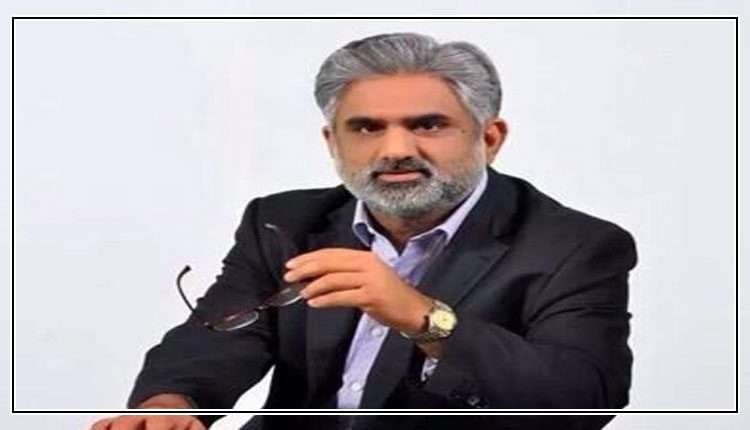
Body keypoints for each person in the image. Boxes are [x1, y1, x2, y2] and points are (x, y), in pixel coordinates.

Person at [91, 32, 637, 430]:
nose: (395, 149)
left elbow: (581, 400)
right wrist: (171, 404)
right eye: (367, 128)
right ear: (333, 142)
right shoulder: (283, 222)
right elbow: (221, 336)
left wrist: (423, 318)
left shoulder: (574, 246)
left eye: (428, 125)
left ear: (489, 139)